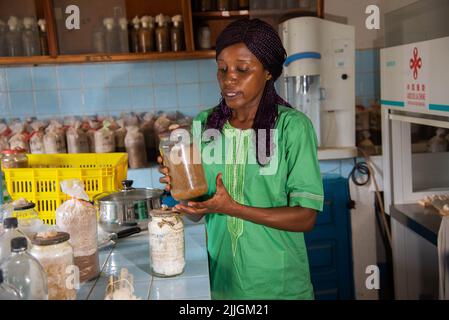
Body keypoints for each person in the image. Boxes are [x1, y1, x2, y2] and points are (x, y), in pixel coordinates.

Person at [158, 18, 323, 300]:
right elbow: (200, 208)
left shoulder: (292, 128)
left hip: (279, 287)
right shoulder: (204, 125)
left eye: (242, 69)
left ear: (268, 72)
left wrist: (234, 208)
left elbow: (305, 217)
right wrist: (187, 198)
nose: (228, 78)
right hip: (222, 285)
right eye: (222, 69)